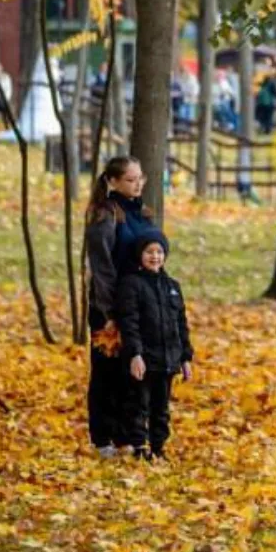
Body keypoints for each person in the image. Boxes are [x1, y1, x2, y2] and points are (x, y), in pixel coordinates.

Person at [83, 156, 157, 456]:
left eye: (140, 178)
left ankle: (129, 435)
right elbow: (101, 268)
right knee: (106, 371)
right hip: (109, 307)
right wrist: (110, 312)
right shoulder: (104, 216)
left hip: (139, 304)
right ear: (113, 181)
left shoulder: (143, 214)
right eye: (130, 179)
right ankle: (103, 438)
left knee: (133, 372)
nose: (137, 184)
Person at [115, 233, 193, 459]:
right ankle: (139, 446)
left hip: (168, 359)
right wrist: (135, 355)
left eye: (159, 252)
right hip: (144, 359)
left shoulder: (172, 286)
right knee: (139, 404)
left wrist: (185, 358)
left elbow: (181, 324)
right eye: (149, 252)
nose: (155, 257)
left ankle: (158, 448)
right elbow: (129, 323)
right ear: (140, 255)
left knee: (161, 408)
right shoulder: (131, 284)